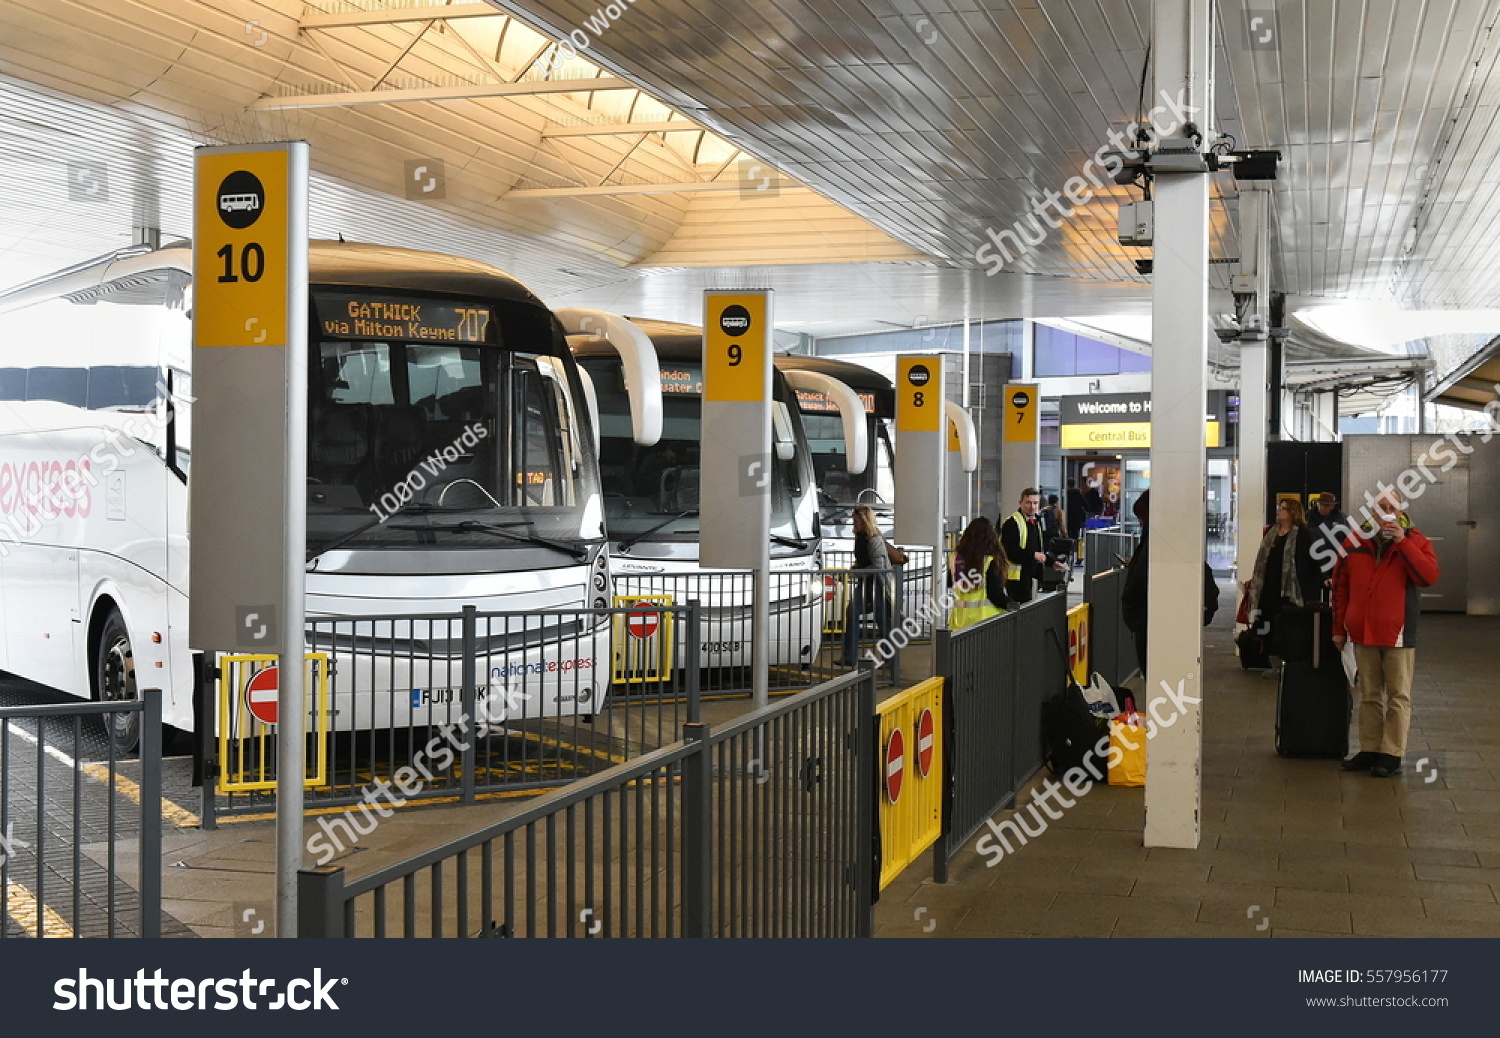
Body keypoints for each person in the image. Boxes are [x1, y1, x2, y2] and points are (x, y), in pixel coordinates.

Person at [1332, 490, 1440, 777]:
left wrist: (1402, 542)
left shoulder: (1417, 541)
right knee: (1368, 695)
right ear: (1372, 511)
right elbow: (1340, 586)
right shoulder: (1354, 542)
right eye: (1380, 507)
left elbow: (1428, 577)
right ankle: (1369, 749)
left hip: (1398, 633)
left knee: (1397, 696)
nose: (1386, 512)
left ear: (1402, 509)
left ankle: (1391, 753)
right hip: (1362, 632)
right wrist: (1338, 628)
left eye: (1391, 506)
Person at [1119, 491, 1220, 676]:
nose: (1140, 523)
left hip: (1151, 622)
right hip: (1177, 622)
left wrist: (1132, 614)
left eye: (1141, 518)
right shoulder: (1180, 539)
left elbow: (1136, 587)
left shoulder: (1154, 543)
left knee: (1157, 677)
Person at [1245, 498, 1325, 642]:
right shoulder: (1271, 532)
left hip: (1291, 589)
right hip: (1269, 586)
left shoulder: (1305, 534)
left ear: (1293, 512)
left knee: (1288, 623)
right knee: (1268, 620)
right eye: (1278, 507)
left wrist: (1324, 577)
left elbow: (1317, 560)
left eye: (1282, 508)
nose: (1278, 511)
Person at [840, 504, 894, 664]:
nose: (854, 525)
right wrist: (858, 566)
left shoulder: (874, 539)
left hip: (877, 581)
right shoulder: (861, 537)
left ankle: (890, 659)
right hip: (866, 580)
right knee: (853, 613)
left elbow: (878, 567)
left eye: (856, 521)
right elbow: (867, 560)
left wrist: (858, 571)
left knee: (882, 618)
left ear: (865, 522)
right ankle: (849, 657)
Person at [999, 488, 1067, 605]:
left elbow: (1038, 547)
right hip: (1016, 578)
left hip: (1031, 574)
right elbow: (1009, 551)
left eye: (1035, 503)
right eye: (1028, 502)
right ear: (1020, 503)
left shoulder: (1036, 520)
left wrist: (1051, 562)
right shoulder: (1012, 523)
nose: (1032, 506)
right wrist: (1033, 555)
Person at [947, 517, 1008, 629]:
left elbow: (949, 583)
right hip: (986, 621)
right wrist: (1011, 604)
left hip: (959, 622)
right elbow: (995, 595)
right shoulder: (990, 561)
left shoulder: (955, 558)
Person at [1306, 492, 1350, 577]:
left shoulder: (1341, 518)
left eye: (1326, 505)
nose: (1322, 508)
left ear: (1332, 506)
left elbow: (1346, 539)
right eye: (1320, 504)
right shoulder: (1308, 517)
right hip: (1313, 562)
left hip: (1334, 561)